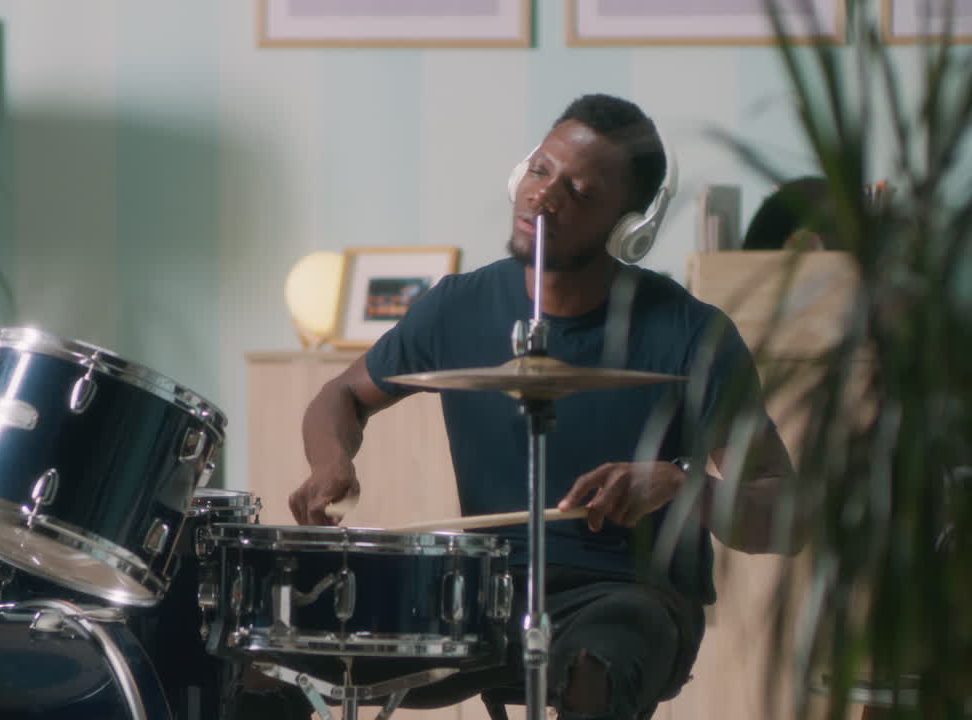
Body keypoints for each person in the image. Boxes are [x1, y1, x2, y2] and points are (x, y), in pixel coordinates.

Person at [289, 93, 799, 720]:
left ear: (628, 227)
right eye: (539, 170)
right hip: (481, 596)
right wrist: (331, 462)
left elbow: (785, 509)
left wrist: (680, 484)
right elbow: (339, 396)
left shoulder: (693, 335)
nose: (544, 196)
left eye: (579, 192)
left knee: (591, 672)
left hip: (629, 597)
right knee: (283, 659)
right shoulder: (457, 307)